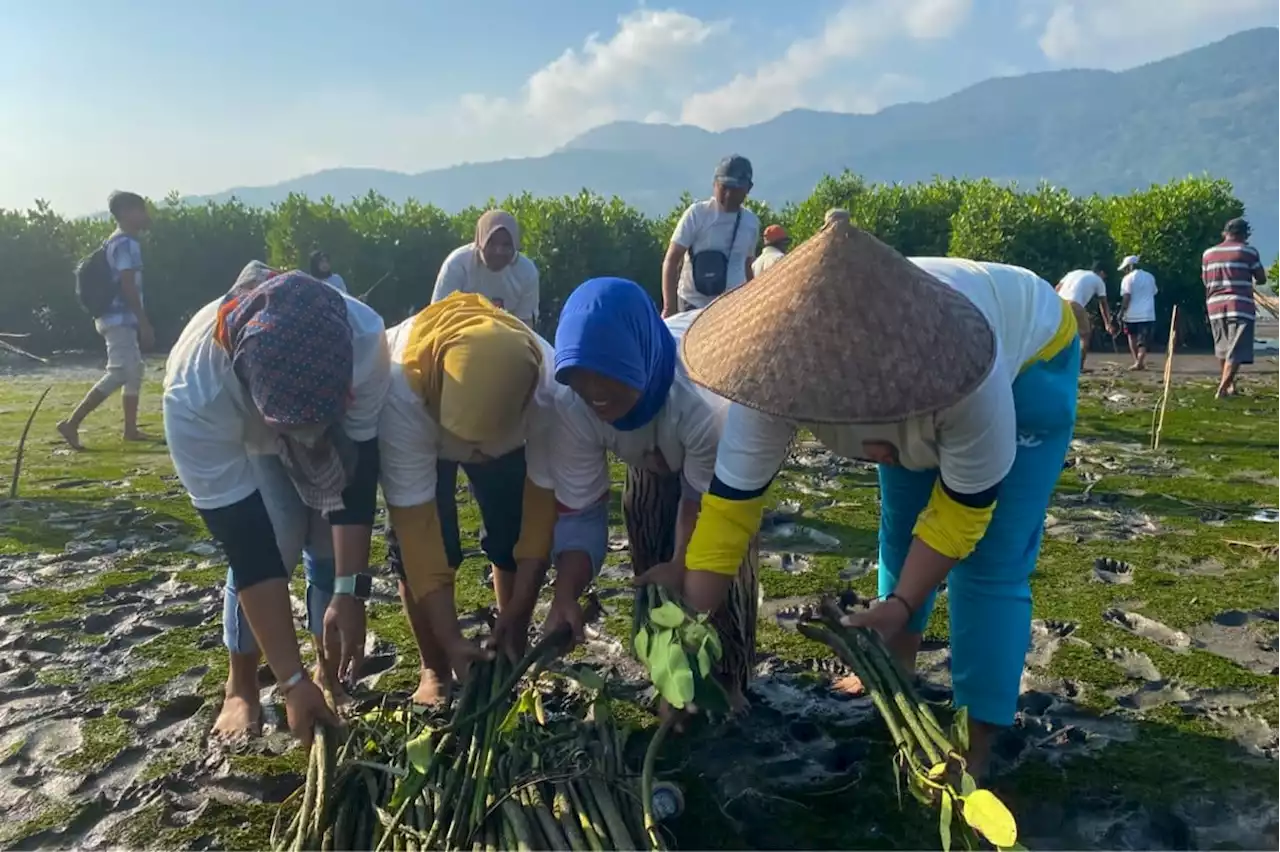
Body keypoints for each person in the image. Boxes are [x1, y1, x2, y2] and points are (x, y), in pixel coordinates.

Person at [654, 222, 1079, 779]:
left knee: (991, 567)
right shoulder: (775, 374)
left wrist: (903, 603)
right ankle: (892, 667)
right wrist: (684, 652)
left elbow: (962, 515)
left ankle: (975, 739)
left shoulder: (972, 376)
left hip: (1032, 360)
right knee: (901, 530)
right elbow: (727, 517)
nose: (876, 450)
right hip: (923, 403)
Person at [163, 263, 390, 744]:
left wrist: (351, 590)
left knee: (328, 543)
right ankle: (241, 683)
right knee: (280, 531)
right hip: (249, 440)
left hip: (331, 427)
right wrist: (287, 682)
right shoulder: (196, 394)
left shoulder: (365, 338)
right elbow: (249, 548)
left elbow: (358, 475)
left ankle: (326, 670)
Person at [549, 277, 757, 706]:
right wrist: (565, 593)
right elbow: (583, 512)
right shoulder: (571, 404)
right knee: (646, 536)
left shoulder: (702, 401)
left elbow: (702, 508)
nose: (595, 393)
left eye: (607, 375)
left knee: (716, 568)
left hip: (719, 456)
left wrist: (682, 564)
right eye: (581, 378)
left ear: (637, 358)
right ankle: (669, 674)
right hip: (648, 453)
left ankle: (726, 679)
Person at [379, 292, 560, 704]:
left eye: (487, 444)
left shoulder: (549, 385)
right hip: (423, 429)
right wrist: (449, 636)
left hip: (511, 425)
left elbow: (540, 511)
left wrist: (519, 608)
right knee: (422, 548)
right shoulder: (399, 387)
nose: (478, 454)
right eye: (470, 442)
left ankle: (511, 640)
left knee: (510, 528)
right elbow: (416, 530)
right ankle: (435, 666)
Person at [57, 191, 155, 450]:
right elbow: (127, 285)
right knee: (121, 371)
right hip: (119, 317)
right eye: (140, 210)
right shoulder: (126, 244)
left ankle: (130, 430)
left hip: (115, 317)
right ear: (124, 213)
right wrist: (144, 322)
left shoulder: (116, 241)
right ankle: (72, 422)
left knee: (135, 369)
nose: (145, 215)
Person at [662, 156, 761, 317]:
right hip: (692, 306)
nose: (728, 195)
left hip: (733, 307)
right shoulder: (698, 214)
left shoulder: (751, 223)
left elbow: (747, 264)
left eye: (735, 189)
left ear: (748, 188)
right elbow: (672, 259)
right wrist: (669, 307)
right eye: (724, 188)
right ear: (714, 184)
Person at [432, 210, 540, 328]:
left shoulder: (527, 271)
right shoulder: (457, 264)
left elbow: (525, 324)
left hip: (507, 337)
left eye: (506, 245)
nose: (499, 251)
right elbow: (439, 316)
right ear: (480, 242)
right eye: (491, 243)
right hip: (458, 334)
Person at [1203, 218, 1268, 399]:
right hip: (1240, 304)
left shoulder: (1208, 254)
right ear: (1243, 234)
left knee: (1223, 348)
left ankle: (1230, 386)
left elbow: (1205, 281)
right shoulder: (1248, 252)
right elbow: (1261, 278)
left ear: (1225, 233)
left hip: (1215, 305)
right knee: (1237, 349)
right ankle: (1223, 389)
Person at [1055, 261, 1115, 370]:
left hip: (1058, 303)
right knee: (1085, 335)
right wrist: (1108, 323)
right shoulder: (1098, 280)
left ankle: (1057, 364)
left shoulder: (1074, 273)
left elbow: (1057, 288)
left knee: (1061, 334)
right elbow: (1103, 303)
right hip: (1074, 304)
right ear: (1101, 272)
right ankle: (1079, 366)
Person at [1118, 255, 1158, 371]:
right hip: (1147, 314)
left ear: (1130, 266)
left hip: (1131, 314)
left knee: (1132, 337)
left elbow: (1126, 297)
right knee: (1143, 340)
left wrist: (1121, 312)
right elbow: (1154, 292)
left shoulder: (1127, 279)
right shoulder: (1150, 277)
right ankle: (1139, 362)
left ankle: (1137, 361)